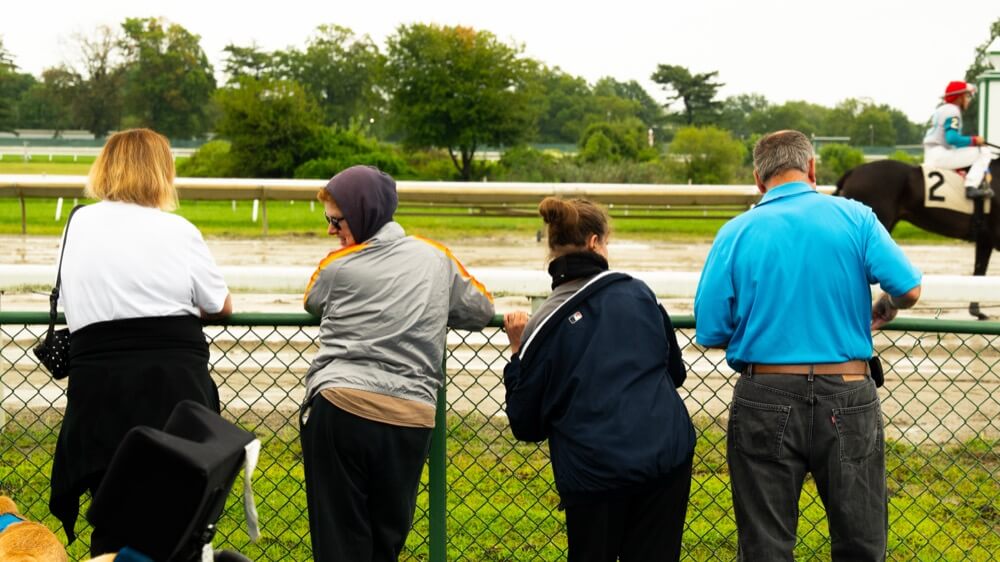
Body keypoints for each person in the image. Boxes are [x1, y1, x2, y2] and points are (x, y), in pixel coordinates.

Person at [695, 130, 922, 561]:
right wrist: (886, 305)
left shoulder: (735, 232)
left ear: (759, 180)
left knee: (766, 543)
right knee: (860, 541)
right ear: (812, 168)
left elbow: (711, 330)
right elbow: (908, 289)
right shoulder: (856, 218)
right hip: (849, 392)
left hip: (765, 394)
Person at [49, 128, 233, 556]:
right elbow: (219, 303)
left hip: (99, 389)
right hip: (172, 387)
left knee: (111, 508)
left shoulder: (77, 224)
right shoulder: (177, 230)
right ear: (161, 171)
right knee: (177, 515)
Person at [300, 165, 494, 562]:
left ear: (362, 213)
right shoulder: (437, 258)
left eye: (336, 221)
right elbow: (481, 308)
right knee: (385, 543)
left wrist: (347, 256)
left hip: (341, 407)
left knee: (339, 540)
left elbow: (312, 300)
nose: (331, 231)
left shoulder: (336, 267)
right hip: (409, 417)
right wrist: (434, 307)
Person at [503, 197, 695, 562]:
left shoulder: (542, 324)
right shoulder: (639, 293)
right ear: (595, 243)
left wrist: (516, 355)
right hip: (666, 457)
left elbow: (525, 423)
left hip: (594, 474)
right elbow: (676, 372)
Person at [923, 80, 995, 199]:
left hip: (932, 153)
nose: (969, 99)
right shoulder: (953, 110)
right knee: (984, 152)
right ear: (959, 97)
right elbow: (952, 138)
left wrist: (971, 143)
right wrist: (974, 140)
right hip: (940, 155)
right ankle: (971, 187)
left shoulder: (942, 109)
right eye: (967, 96)